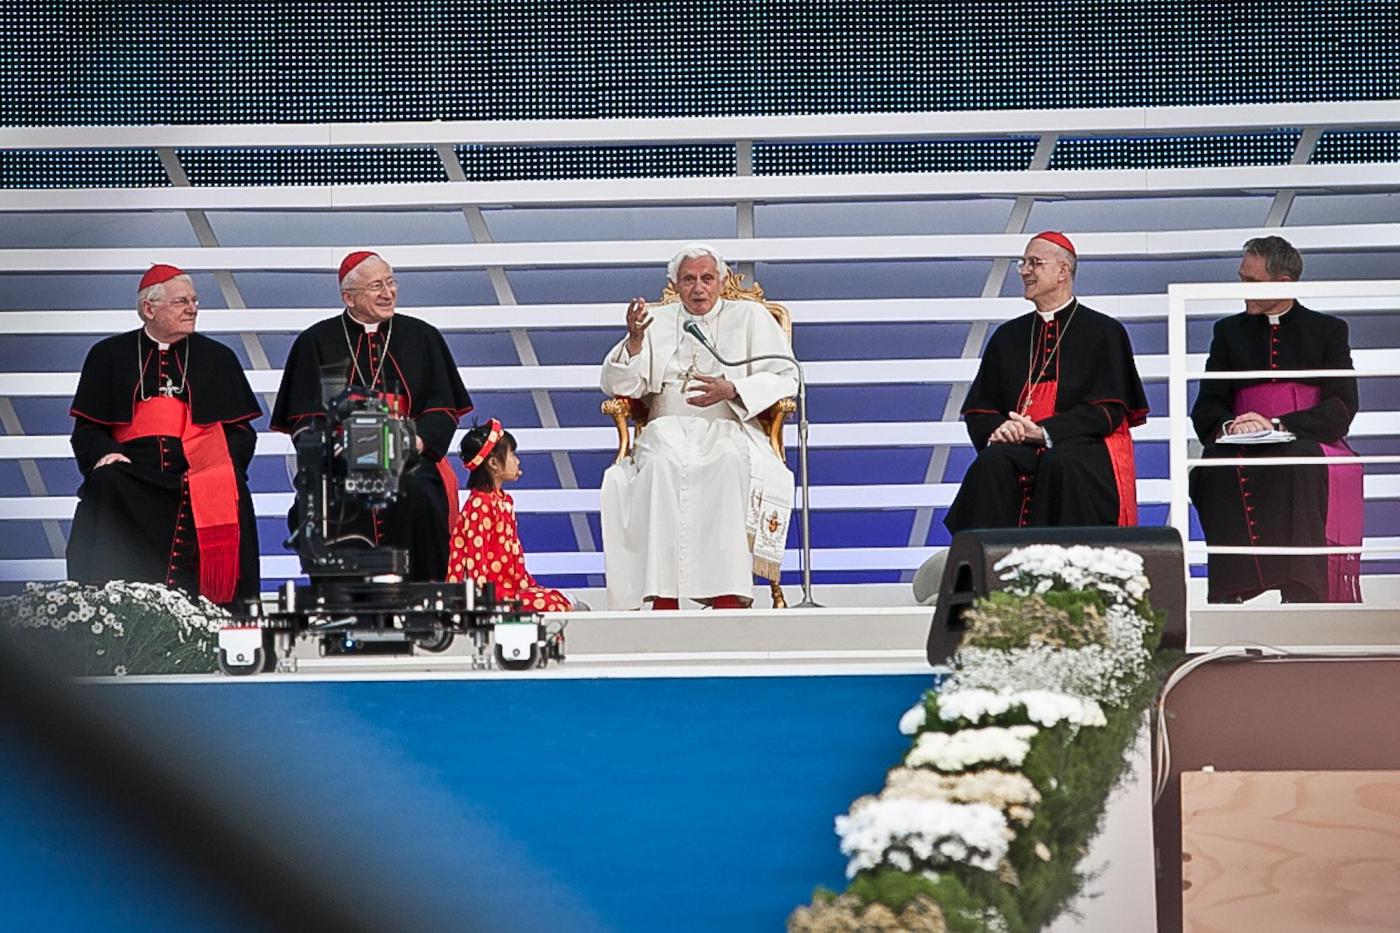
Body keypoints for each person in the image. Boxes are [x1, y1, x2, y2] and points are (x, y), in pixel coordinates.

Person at [599, 244, 798, 610]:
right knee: (659, 465)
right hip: (666, 426)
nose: (698, 287)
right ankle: (663, 596)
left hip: (728, 423)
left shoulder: (750, 317)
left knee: (729, 461)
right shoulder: (654, 321)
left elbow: (787, 376)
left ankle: (728, 594)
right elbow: (618, 385)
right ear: (675, 284)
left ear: (721, 281)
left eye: (707, 278)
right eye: (689, 279)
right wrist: (635, 342)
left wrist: (733, 388)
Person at [270, 251, 473, 581]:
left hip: (410, 462)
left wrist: (411, 443)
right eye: (376, 286)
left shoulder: (422, 336)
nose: (388, 293)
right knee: (323, 500)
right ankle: (341, 601)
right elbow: (305, 420)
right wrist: (340, 450)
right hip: (339, 467)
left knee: (418, 492)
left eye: (391, 282)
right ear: (348, 297)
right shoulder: (315, 341)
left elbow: (442, 410)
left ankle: (422, 595)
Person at [67, 264, 262, 604]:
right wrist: (106, 454)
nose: (192, 309)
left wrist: (217, 465)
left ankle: (223, 608)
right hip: (135, 474)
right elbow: (88, 429)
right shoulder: (108, 355)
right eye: (181, 302)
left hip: (198, 469)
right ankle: (105, 606)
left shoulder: (218, 358)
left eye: (194, 301)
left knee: (230, 489)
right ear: (149, 308)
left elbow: (241, 432)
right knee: (107, 481)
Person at [1190, 236, 1362, 603]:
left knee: (1298, 460)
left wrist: (1279, 426)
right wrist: (1232, 426)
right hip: (1242, 439)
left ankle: (1302, 590)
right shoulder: (1228, 333)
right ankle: (1231, 591)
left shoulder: (1328, 330)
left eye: (1251, 281)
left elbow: (1342, 406)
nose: (1243, 289)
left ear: (1284, 283)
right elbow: (1207, 405)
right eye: (1242, 278)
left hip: (1305, 436)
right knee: (1212, 465)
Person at [945, 231, 1149, 534]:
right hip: (1019, 444)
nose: (1024, 271)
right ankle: (985, 559)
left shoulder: (1104, 331)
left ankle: (1066, 560)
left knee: (1061, 463)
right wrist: (1001, 429)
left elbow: (1109, 411)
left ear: (1063, 271)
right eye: (1023, 263)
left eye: (1034, 263)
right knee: (992, 463)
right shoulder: (1007, 337)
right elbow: (980, 409)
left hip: (1080, 443)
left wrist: (1044, 432)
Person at [446, 420, 574, 612]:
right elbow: (476, 559)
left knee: (555, 599)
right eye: (512, 454)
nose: (517, 461)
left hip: (510, 590)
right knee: (554, 605)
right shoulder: (480, 505)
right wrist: (484, 601)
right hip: (492, 597)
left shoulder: (503, 501)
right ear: (493, 463)